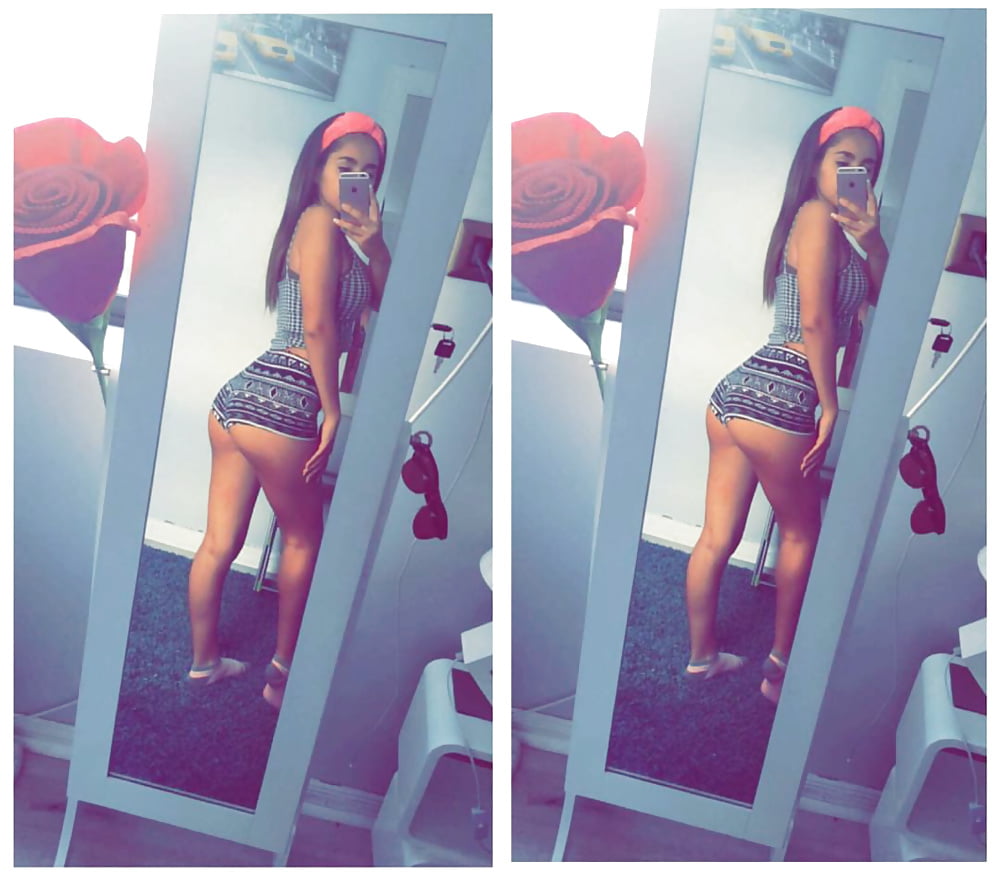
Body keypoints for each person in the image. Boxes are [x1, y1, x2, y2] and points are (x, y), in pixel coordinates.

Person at [185, 111, 391, 710]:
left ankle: (204, 664)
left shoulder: (336, 236)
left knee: (219, 542)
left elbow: (387, 299)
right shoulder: (320, 221)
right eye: (345, 165)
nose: (357, 178)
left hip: (240, 399)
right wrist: (331, 409)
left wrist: (376, 244)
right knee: (303, 540)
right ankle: (280, 679)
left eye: (369, 171)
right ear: (317, 168)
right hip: (288, 400)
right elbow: (321, 326)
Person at [683, 107, 887, 704]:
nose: (855, 172)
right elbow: (819, 322)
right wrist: (829, 404)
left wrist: (874, 239)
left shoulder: (836, 231)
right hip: (786, 393)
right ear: (815, 163)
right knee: (801, 534)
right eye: (842, 160)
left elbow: (885, 295)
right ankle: (778, 672)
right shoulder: (817, 216)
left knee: (717, 536)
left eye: (867, 165)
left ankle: (702, 658)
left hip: (738, 394)